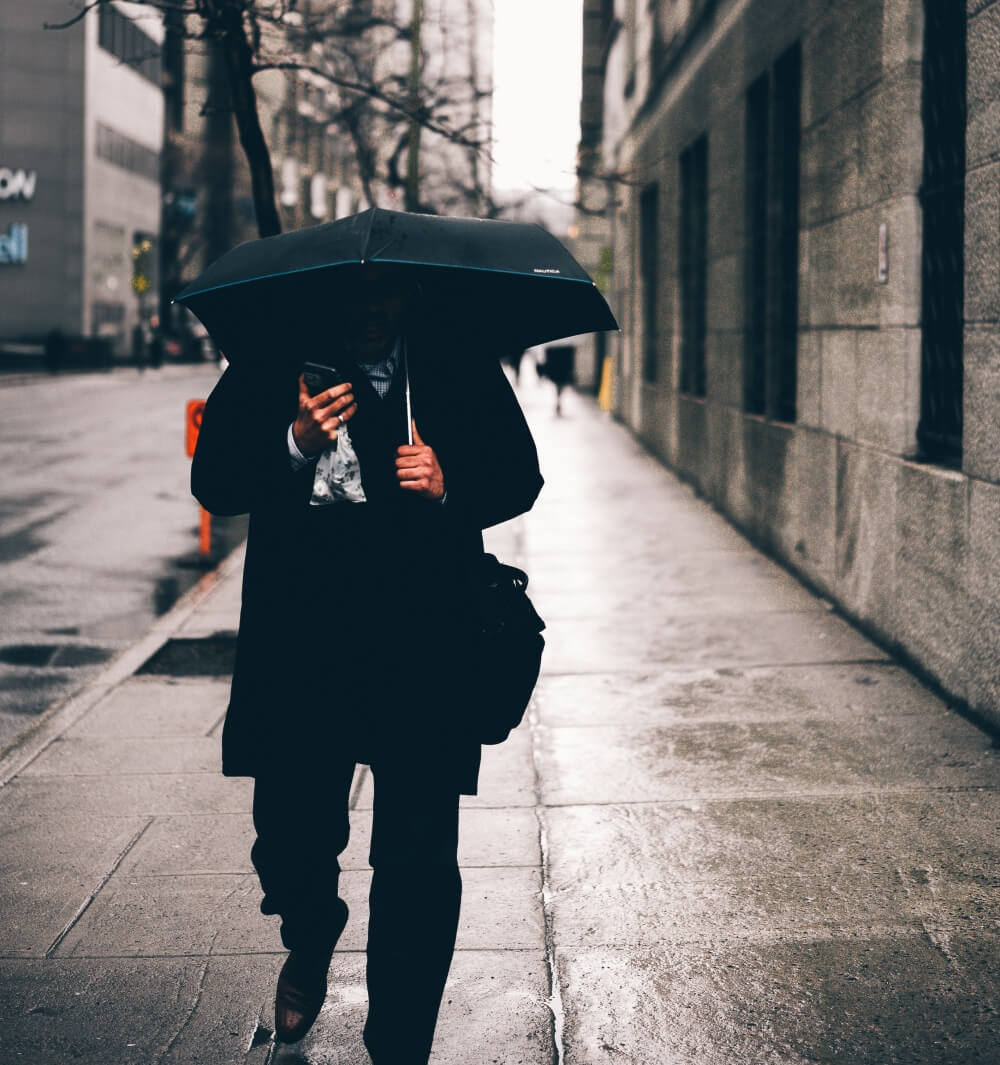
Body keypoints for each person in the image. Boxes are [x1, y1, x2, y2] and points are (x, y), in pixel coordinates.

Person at [191, 264, 543, 1062]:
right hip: (305, 647)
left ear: (408, 297)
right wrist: (294, 441)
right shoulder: (276, 359)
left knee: (419, 860)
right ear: (327, 300)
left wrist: (453, 484)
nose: (369, 311)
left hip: (424, 649)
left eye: (383, 295)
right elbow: (212, 479)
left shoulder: (451, 360)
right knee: (290, 840)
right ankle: (312, 930)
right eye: (354, 297)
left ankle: (399, 1043)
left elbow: (521, 475)